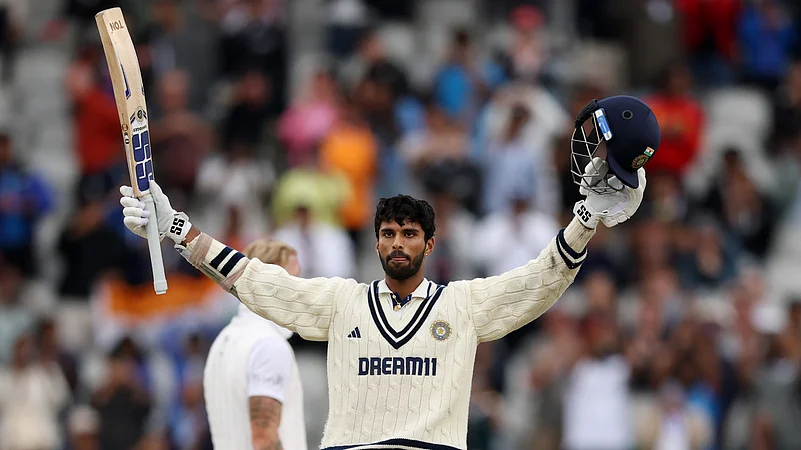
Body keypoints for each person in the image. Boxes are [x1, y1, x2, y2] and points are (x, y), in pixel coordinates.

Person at [119, 95, 659, 450]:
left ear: (429, 242)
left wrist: (584, 222)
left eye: (408, 234)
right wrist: (178, 229)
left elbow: (538, 281)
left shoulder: (461, 305)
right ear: (376, 241)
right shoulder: (343, 302)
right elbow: (263, 284)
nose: (397, 243)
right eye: (388, 233)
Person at [203, 239, 307, 450]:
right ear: (268, 283)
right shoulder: (269, 345)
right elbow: (263, 439)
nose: (302, 291)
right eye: (294, 281)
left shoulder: (223, 340)